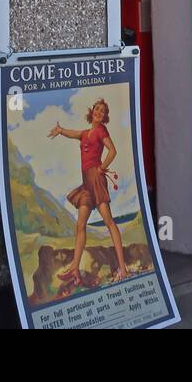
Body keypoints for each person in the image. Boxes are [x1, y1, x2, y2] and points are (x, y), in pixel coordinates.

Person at [48, 98, 129, 287]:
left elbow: (112, 150)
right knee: (80, 225)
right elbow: (73, 133)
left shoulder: (101, 130)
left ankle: (123, 268)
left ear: (104, 117)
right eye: (97, 109)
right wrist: (60, 130)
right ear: (92, 112)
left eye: (103, 111)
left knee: (109, 221)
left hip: (96, 179)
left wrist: (102, 167)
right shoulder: (85, 133)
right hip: (86, 183)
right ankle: (74, 269)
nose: (99, 112)